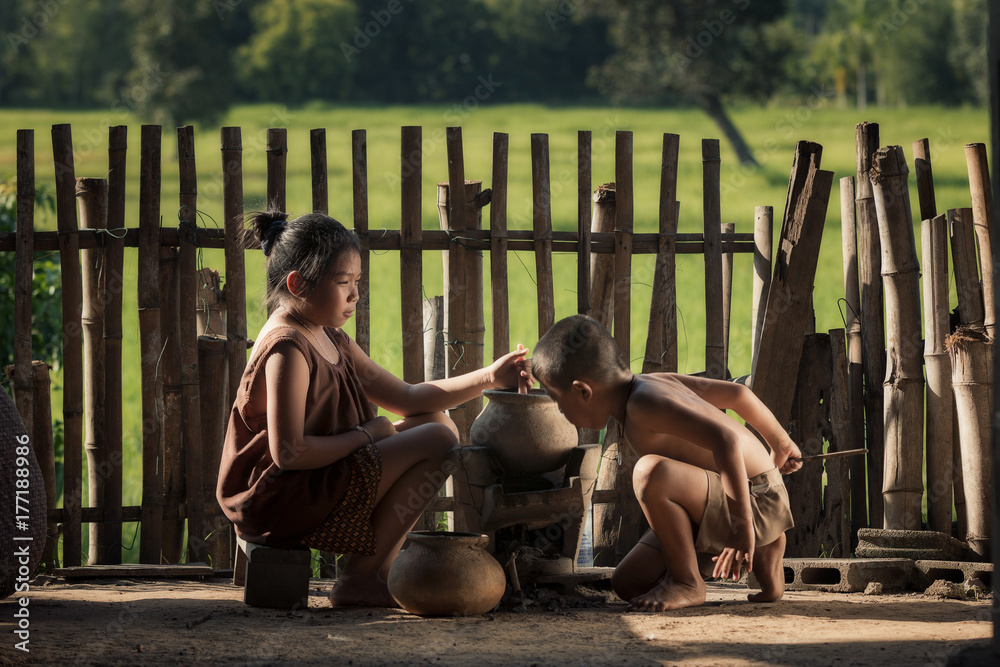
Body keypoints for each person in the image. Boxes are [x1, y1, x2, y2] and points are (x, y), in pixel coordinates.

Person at [217, 209, 528, 608]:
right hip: (280, 498)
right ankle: (359, 579)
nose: (354, 295)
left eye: (357, 282)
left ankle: (377, 570)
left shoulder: (328, 336)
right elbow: (288, 453)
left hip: (313, 480)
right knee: (437, 436)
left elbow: (409, 398)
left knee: (435, 420)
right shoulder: (288, 348)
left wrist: (489, 376)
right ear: (298, 284)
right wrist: (366, 435)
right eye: (343, 282)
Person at [529, 314, 802, 612]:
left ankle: (688, 581)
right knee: (628, 583)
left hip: (753, 504)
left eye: (558, 400)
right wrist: (781, 444)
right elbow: (737, 393)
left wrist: (741, 528)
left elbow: (726, 440)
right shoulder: (651, 383)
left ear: (583, 391)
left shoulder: (642, 405)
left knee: (649, 472)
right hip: (738, 500)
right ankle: (764, 552)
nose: (559, 409)